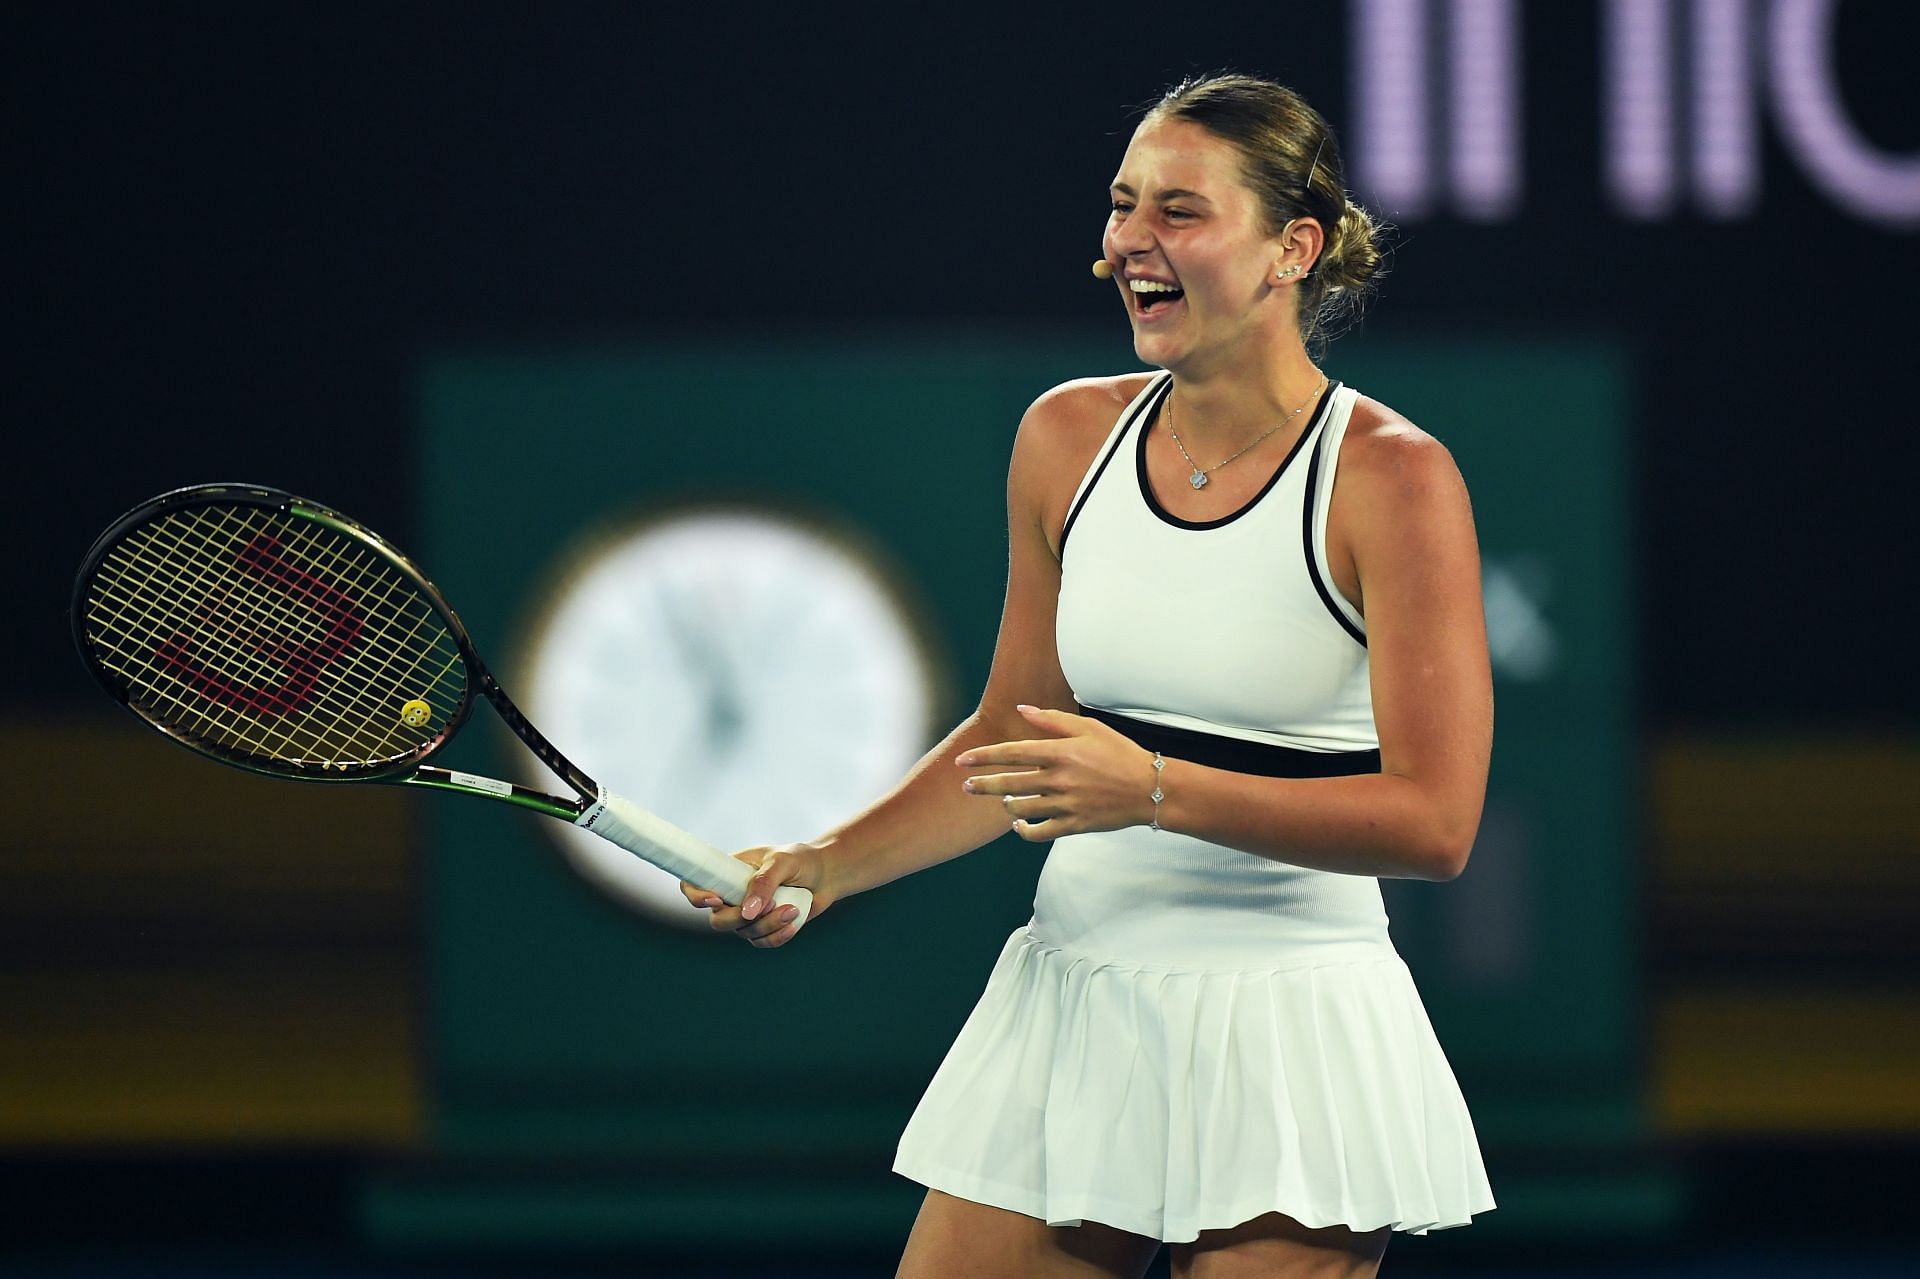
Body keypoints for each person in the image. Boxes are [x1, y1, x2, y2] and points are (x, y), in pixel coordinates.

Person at [683, 72, 1495, 1279]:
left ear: (1292, 248)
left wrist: (1156, 788)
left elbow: (1435, 824)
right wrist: (830, 862)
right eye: (1123, 206)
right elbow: (1013, 734)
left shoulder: (1393, 478)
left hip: (1291, 1025)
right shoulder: (1065, 438)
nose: (1127, 244)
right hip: (1079, 995)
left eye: (1179, 211)